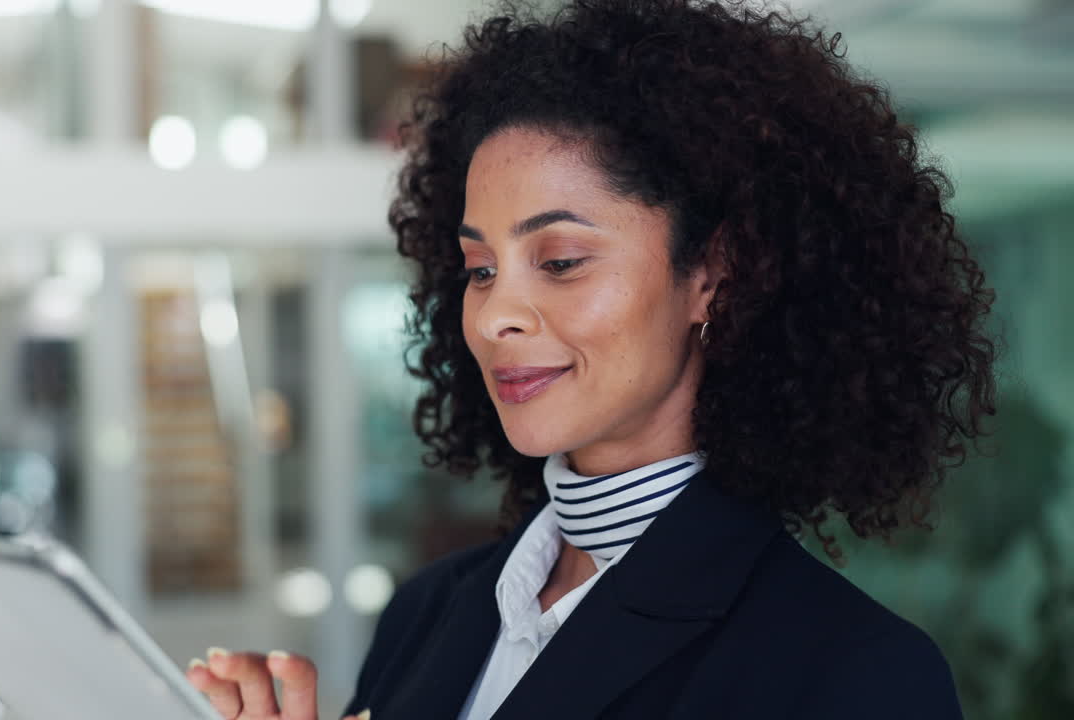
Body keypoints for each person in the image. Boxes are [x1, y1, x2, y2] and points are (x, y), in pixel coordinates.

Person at [184, 0, 997, 717]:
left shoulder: (848, 672)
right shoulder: (426, 612)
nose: (496, 315)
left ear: (714, 275)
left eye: (562, 261)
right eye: (480, 270)